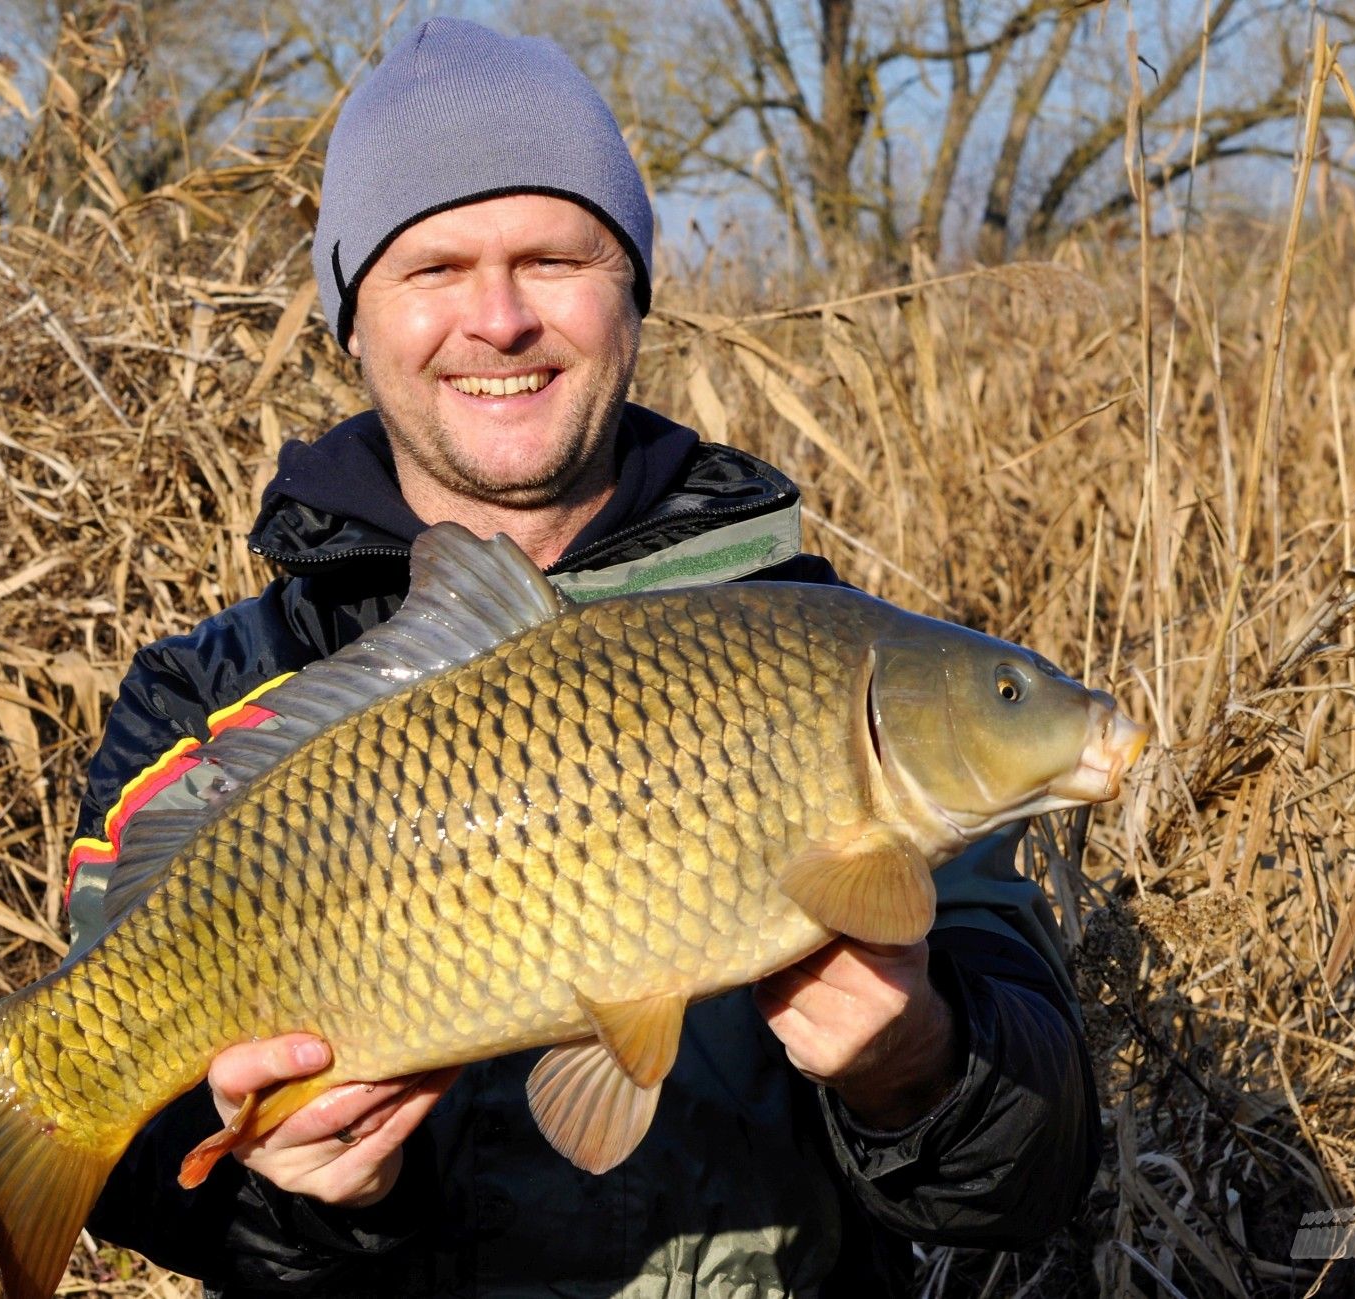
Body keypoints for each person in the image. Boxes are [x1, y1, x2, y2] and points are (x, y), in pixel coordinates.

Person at [69, 17, 1099, 1295]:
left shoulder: (829, 654)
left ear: (632, 289)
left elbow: (1044, 1175)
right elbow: (129, 1172)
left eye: (556, 256)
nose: (498, 319)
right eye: (433, 266)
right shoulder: (207, 701)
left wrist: (918, 1063)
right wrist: (317, 1208)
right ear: (352, 316)